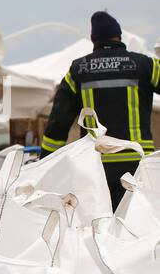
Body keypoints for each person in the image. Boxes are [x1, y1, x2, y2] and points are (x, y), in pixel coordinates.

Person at [41, 11, 158, 208]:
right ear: (119, 37)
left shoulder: (78, 70)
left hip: (94, 167)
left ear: (93, 39)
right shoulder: (145, 65)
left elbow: (58, 124)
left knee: (97, 227)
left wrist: (44, 164)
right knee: (136, 227)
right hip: (137, 165)